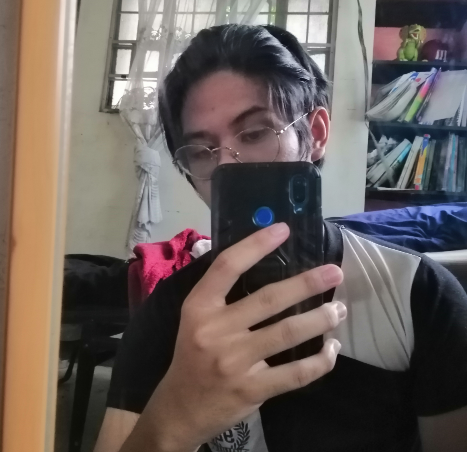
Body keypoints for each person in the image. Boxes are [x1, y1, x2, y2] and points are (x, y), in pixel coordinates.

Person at [94, 25, 467, 452]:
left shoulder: (419, 295)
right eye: (201, 151)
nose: (227, 167)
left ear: (316, 134)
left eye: (255, 133)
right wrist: (173, 422)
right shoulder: (169, 312)